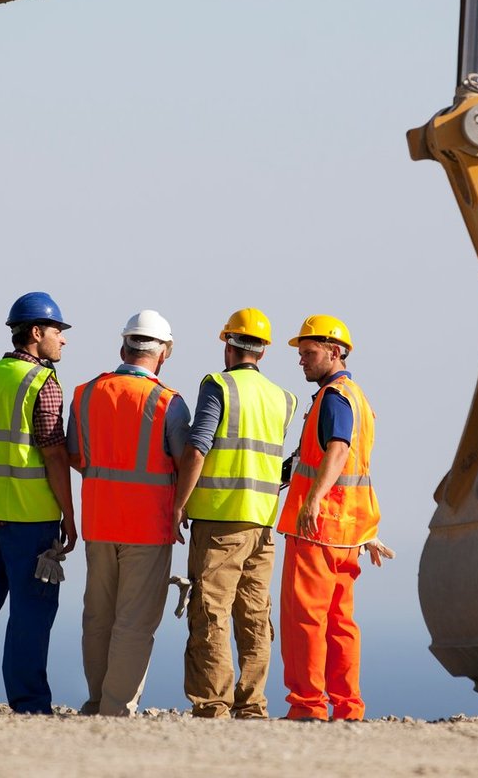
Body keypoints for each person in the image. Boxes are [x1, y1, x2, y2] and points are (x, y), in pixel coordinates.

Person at [0, 291, 77, 715]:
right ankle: (28, 703)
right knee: (32, 614)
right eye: (58, 331)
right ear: (37, 332)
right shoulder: (41, 383)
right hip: (30, 517)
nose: (63, 340)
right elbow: (53, 450)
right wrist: (70, 514)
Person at [172, 307, 298, 719]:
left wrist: (178, 503)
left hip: (220, 520)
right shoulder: (284, 398)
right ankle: (252, 705)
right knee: (254, 615)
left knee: (211, 611)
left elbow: (198, 447)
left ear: (229, 344)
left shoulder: (218, 387)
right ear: (262, 351)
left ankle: (213, 705)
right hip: (262, 524)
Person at [66, 309, 192, 717]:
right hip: (148, 528)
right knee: (133, 623)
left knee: (98, 616)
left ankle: (96, 700)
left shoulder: (85, 393)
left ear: (124, 345)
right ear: (165, 352)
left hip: (99, 522)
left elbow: (76, 455)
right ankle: (117, 709)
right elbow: (184, 461)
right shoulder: (169, 403)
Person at [275, 314, 390, 722]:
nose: (301, 360)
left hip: (317, 530)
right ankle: (348, 707)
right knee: (341, 624)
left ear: (335, 352)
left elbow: (338, 451)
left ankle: (307, 706)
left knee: (304, 620)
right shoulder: (357, 396)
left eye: (309, 353)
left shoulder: (334, 397)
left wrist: (312, 502)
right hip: (346, 534)